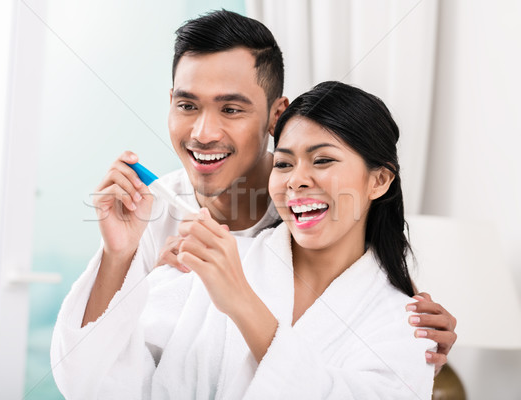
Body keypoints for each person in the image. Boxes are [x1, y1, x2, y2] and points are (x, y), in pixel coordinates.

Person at [51, 10, 455, 397]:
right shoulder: (146, 214)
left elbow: (363, 285)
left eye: (231, 109)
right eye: (187, 105)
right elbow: (95, 379)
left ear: (275, 116)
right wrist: (117, 257)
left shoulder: (316, 220)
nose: (204, 133)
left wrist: (404, 315)